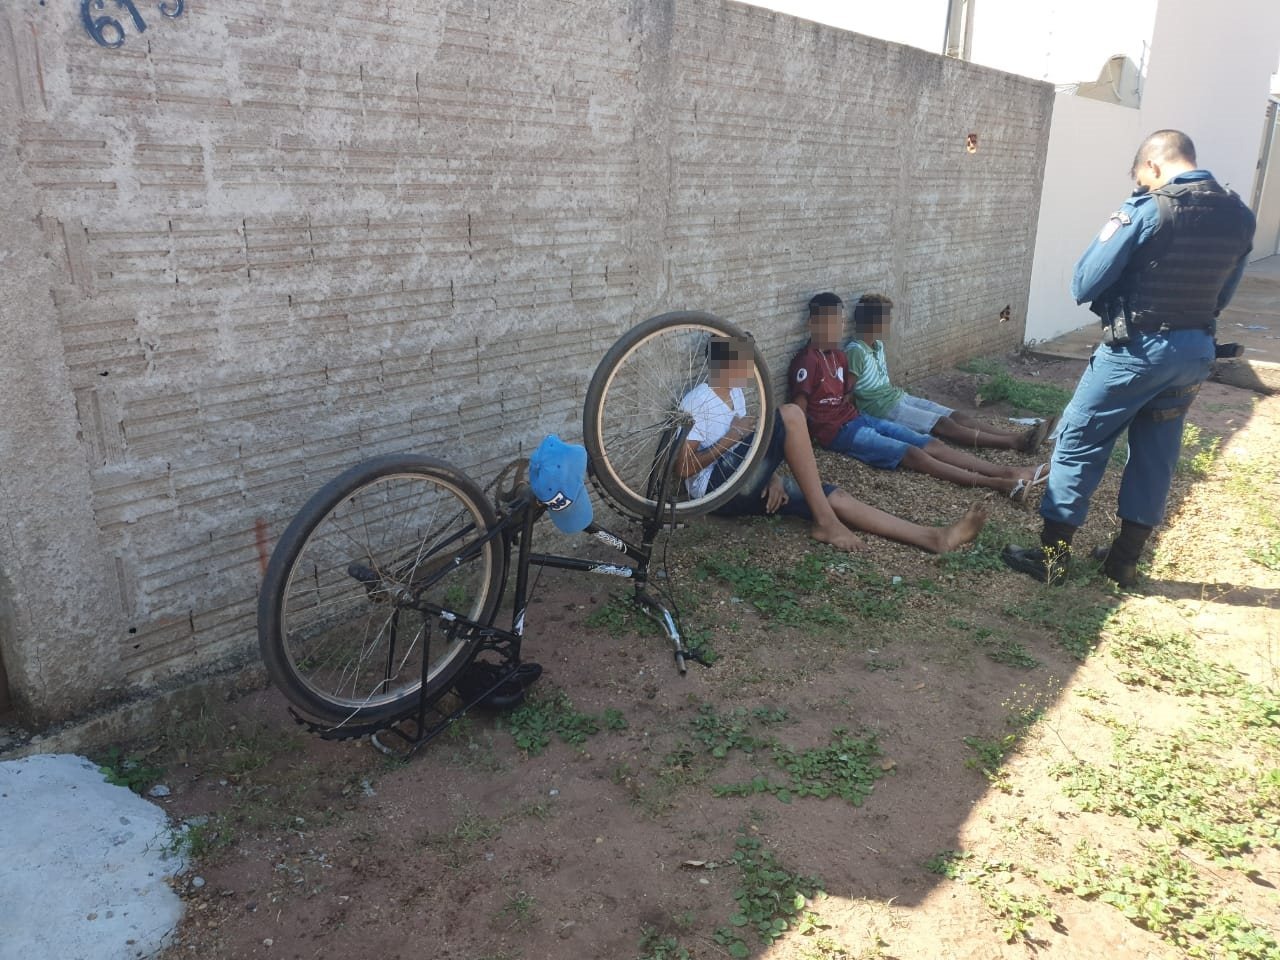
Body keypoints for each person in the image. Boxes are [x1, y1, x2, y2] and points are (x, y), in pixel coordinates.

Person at [1002, 129, 1255, 586]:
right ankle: (1123, 562)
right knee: (1157, 452)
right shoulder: (1239, 214)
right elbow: (1223, 295)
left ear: (1153, 165)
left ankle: (1052, 561)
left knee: (1079, 442)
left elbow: (1084, 282)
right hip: (1194, 351)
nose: (1141, 185)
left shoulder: (1147, 209)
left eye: (1141, 177)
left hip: (1136, 352)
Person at [678, 334, 989, 554]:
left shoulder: (735, 394)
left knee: (833, 496)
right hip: (716, 494)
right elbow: (681, 468)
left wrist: (771, 477)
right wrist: (732, 436)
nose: (751, 369)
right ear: (725, 365)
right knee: (791, 414)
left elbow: (747, 453)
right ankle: (826, 523)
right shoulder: (699, 401)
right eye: (745, 362)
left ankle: (933, 538)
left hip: (742, 481)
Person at [791, 293, 1047, 500]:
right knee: (914, 455)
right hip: (839, 433)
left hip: (858, 419)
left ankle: (1007, 471)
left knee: (931, 444)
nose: (836, 328)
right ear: (812, 324)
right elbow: (797, 413)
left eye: (838, 321)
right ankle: (997, 483)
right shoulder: (807, 361)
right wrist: (809, 447)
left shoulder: (838, 356)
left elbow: (847, 396)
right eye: (828, 322)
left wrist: (859, 414)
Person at [846, 292, 1056, 452]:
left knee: (954, 415)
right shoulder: (856, 351)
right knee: (942, 424)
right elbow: (847, 391)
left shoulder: (878, 346)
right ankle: (1013, 442)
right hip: (883, 408)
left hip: (897, 397)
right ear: (874, 323)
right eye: (886, 319)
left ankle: (1014, 435)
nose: (889, 323)